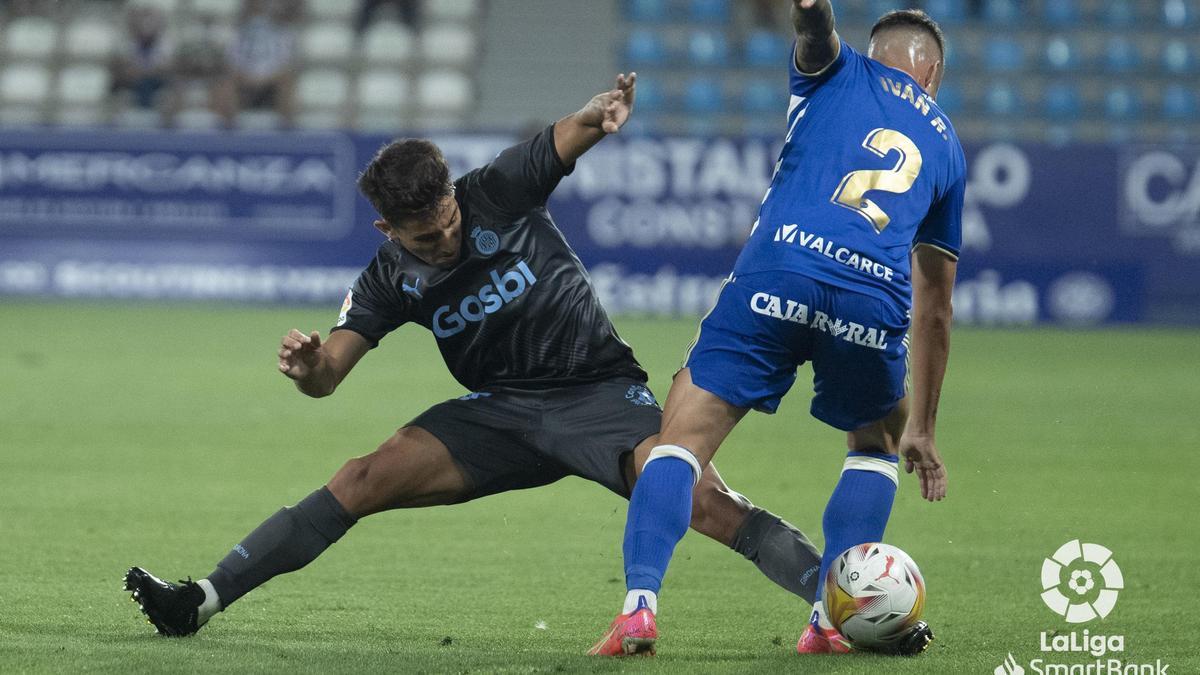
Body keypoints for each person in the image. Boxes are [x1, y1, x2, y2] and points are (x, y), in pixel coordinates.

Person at [124, 72, 827, 640]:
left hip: (599, 395)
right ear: (387, 228)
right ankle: (202, 598)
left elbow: (566, 137)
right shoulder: (386, 278)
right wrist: (310, 368)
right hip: (501, 414)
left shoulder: (498, 189)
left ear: (452, 192)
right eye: (425, 239)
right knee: (361, 475)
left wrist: (598, 112)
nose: (445, 240)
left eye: (449, 221)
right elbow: (330, 372)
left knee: (705, 498)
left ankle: (845, 601)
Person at [590, 0, 964, 658]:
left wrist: (814, 11)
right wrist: (924, 426)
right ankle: (825, 618)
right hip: (871, 294)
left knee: (679, 442)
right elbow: (934, 303)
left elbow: (814, 32)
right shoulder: (950, 150)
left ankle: (639, 610)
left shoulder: (838, 70)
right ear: (930, 73)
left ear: (874, 54)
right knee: (876, 444)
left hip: (780, 270)